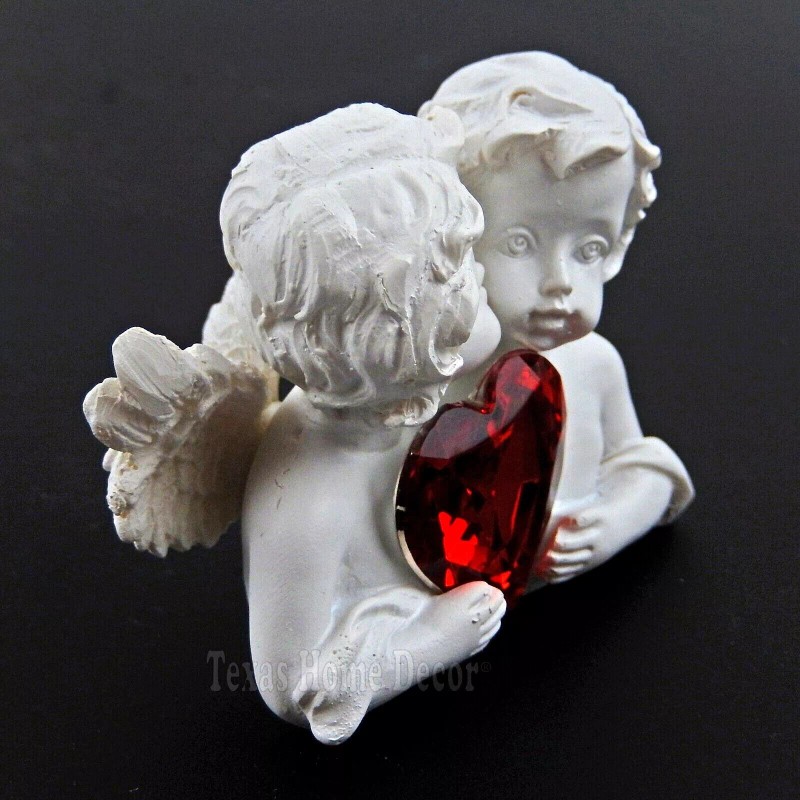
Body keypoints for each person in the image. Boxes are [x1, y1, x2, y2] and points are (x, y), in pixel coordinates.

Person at [221, 103, 506, 743]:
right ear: (394, 336)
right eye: (460, 263)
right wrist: (433, 641)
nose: (486, 270)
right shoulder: (310, 499)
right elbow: (289, 688)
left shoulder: (445, 388)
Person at [420, 52, 694, 585]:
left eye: (590, 249)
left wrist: (614, 522)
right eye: (520, 242)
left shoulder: (593, 365)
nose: (559, 281)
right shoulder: (423, 374)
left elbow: (644, 467)